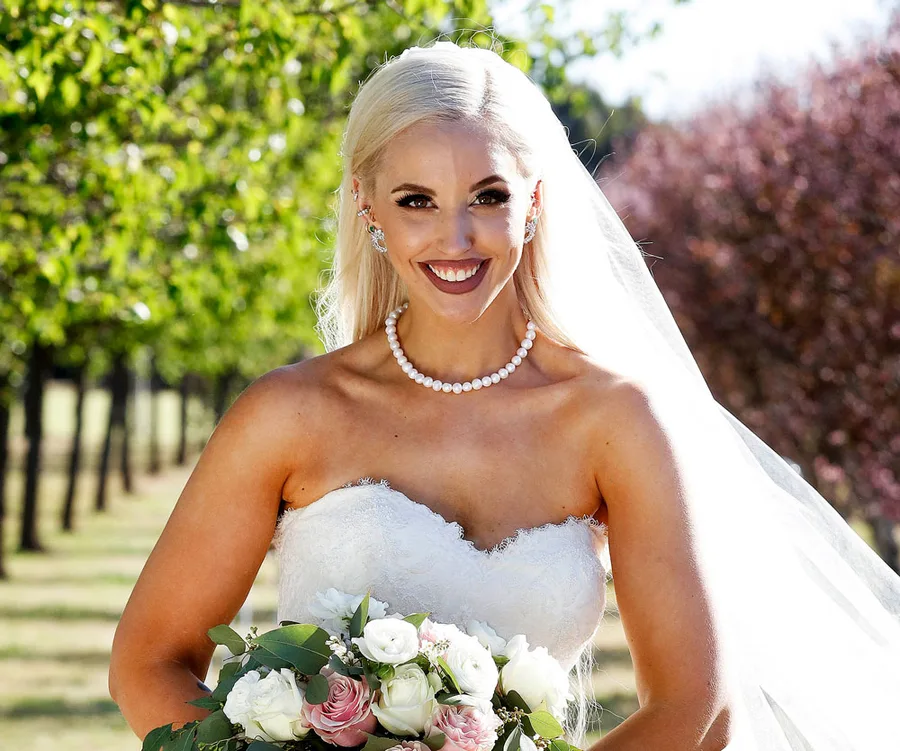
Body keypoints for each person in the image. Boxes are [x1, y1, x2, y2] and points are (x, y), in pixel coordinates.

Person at [109, 41, 900, 751]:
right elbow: (149, 660)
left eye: (488, 196)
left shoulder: (612, 420)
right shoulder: (288, 414)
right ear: (367, 204)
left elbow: (699, 706)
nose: (455, 240)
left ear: (536, 200)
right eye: (416, 200)